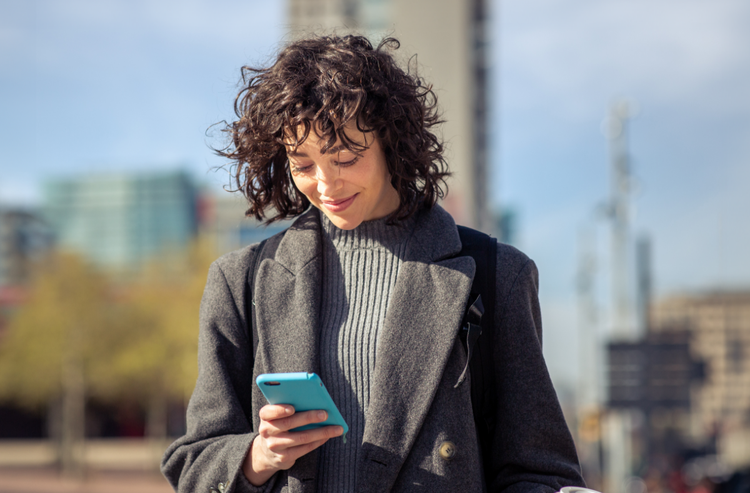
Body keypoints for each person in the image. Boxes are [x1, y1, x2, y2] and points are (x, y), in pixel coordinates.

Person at [161, 35, 586, 493]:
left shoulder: (497, 274)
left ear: (391, 139)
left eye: (345, 156)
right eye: (302, 164)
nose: (326, 184)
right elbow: (193, 464)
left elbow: (539, 472)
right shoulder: (241, 281)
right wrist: (257, 457)